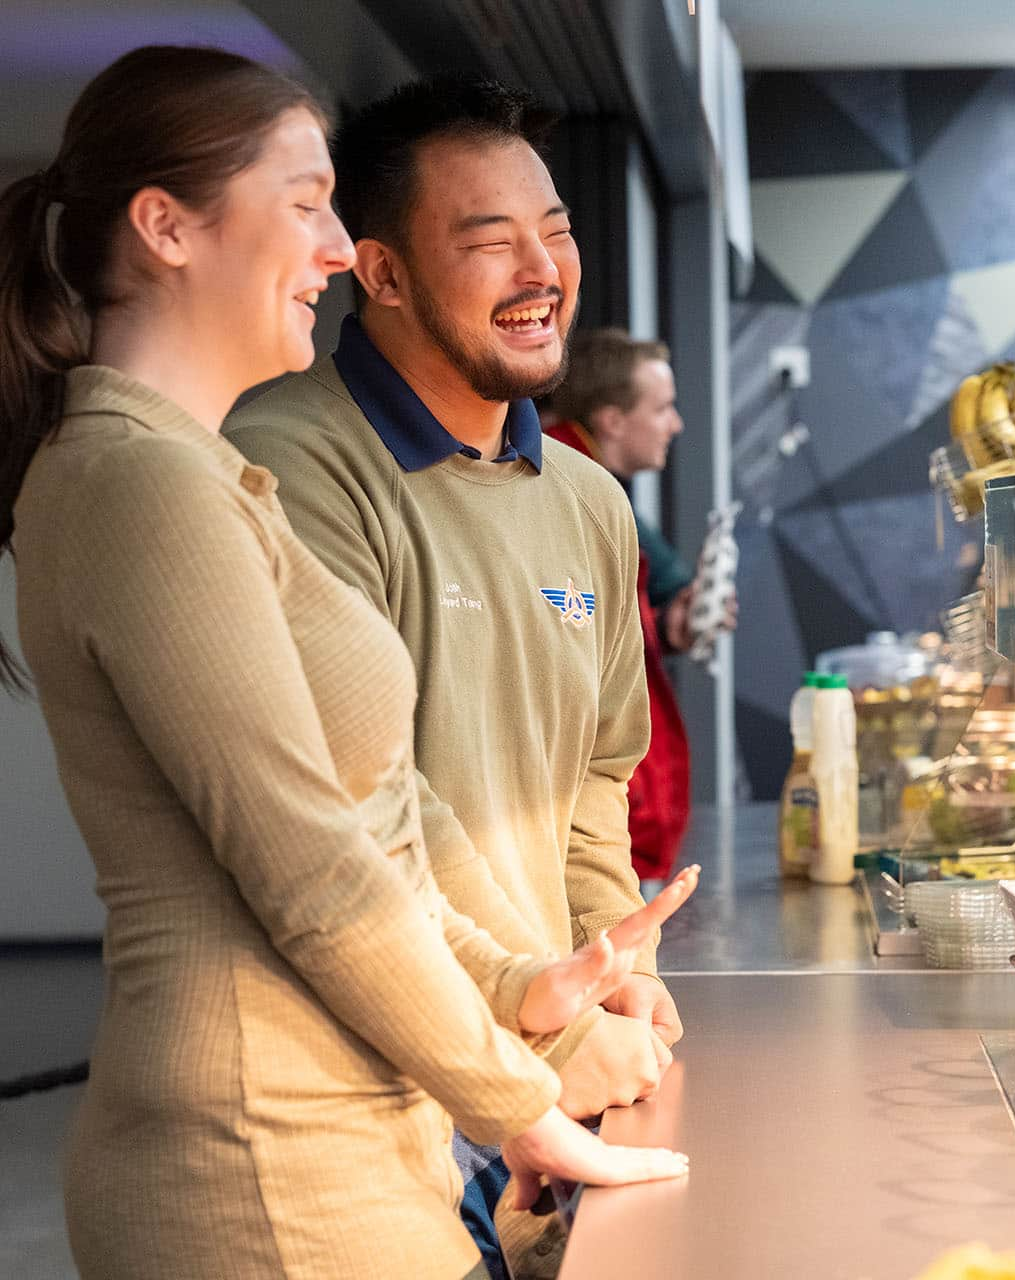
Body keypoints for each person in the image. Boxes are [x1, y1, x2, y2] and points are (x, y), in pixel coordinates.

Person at [0, 47, 693, 1280]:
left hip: (353, 1132)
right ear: (164, 227)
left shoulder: (207, 471)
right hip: (263, 1158)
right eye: (306, 204)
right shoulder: (143, 481)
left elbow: (380, 820)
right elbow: (313, 868)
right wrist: (518, 1094)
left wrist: (534, 983)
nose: (334, 249)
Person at [224, 77, 679, 1278]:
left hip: (547, 1069)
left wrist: (611, 967)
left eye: (558, 230)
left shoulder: (588, 500)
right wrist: (544, 1026)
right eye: (489, 241)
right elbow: (350, 829)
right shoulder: (290, 465)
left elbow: (595, 778)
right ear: (376, 273)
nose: (543, 269)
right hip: (379, 1102)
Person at [545, 329, 697, 879]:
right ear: (611, 421)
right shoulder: (560, 484)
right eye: (662, 408)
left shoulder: (588, 485)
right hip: (586, 822)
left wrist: (670, 625)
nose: (675, 424)